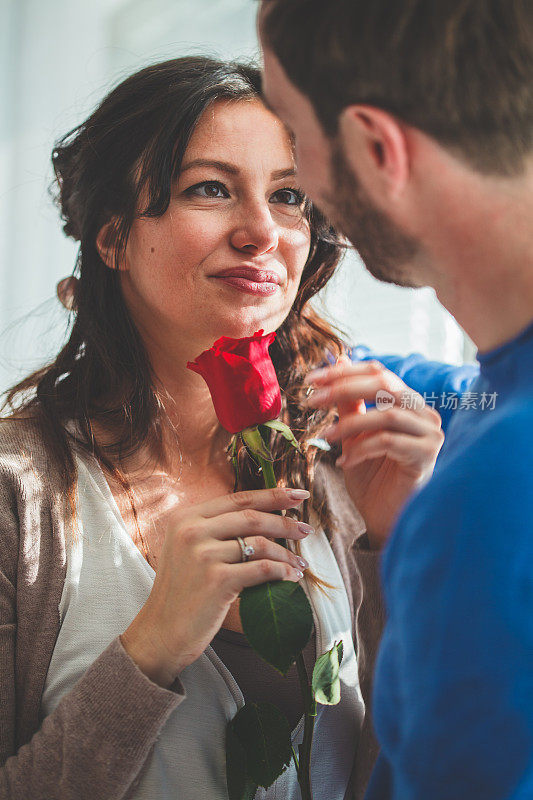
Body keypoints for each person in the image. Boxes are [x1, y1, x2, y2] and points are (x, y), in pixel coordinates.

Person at [0, 56, 470, 800]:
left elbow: (411, 771)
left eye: (288, 196)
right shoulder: (16, 493)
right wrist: (150, 648)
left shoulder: (337, 468)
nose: (261, 231)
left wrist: (395, 549)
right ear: (113, 237)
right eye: (209, 189)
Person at [258, 1, 533, 798]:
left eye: (295, 142)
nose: (297, 195)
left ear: (377, 149)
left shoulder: (476, 504)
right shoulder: (482, 406)